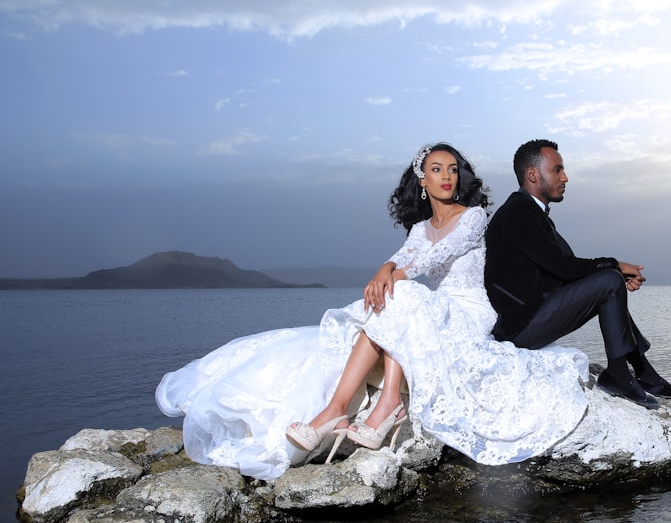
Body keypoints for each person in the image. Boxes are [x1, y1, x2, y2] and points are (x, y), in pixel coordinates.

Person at [156, 143, 589, 480]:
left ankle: (383, 408)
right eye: (436, 169)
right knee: (397, 298)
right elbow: (407, 255)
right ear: (422, 179)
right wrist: (386, 269)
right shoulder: (421, 227)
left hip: (470, 313)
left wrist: (390, 273)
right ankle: (337, 408)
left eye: (452, 169)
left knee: (404, 295)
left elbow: (432, 260)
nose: (446, 176)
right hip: (429, 307)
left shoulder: (473, 217)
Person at [484, 138, 671, 409]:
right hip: (521, 327)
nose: (565, 177)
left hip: (534, 313)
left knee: (609, 281)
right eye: (557, 170)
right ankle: (619, 374)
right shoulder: (518, 213)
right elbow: (563, 268)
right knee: (608, 280)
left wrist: (616, 272)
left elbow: (563, 267)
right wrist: (615, 265)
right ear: (532, 174)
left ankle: (642, 372)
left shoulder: (531, 211)